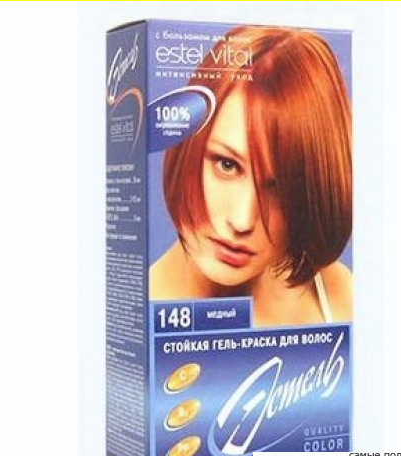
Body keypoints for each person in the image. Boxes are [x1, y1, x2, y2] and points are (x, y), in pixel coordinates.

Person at [149, 26, 352, 327]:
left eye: (278, 187)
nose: (242, 221)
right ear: (187, 147)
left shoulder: (338, 294)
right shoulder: (138, 312)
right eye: (227, 165)